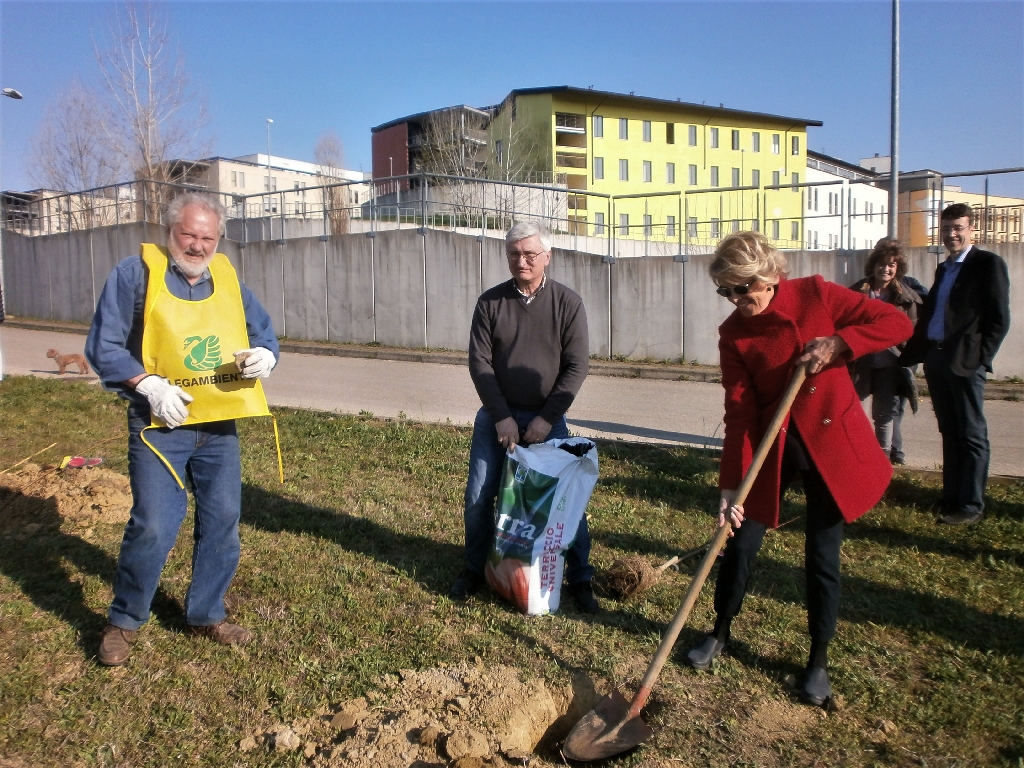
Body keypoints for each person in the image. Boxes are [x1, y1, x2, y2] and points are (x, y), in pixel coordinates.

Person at [683, 231, 912, 706]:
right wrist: (731, 487)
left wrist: (839, 342)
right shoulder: (734, 334)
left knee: (821, 554)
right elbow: (741, 413)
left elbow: (895, 323)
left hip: (831, 444)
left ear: (768, 276)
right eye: (725, 291)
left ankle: (817, 663)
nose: (735, 300)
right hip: (775, 445)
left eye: (742, 288)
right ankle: (720, 631)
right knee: (740, 541)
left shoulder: (816, 295)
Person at [85, 192, 279, 666]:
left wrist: (266, 355)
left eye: (206, 237)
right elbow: (103, 345)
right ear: (169, 231)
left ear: (219, 239)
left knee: (223, 520)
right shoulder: (135, 276)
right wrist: (147, 385)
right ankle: (125, 619)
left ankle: (206, 613)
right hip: (159, 425)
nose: (196, 246)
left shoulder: (229, 281)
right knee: (153, 524)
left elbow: (264, 334)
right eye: (188, 234)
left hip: (217, 427)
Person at [449, 221, 598, 612]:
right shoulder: (490, 303)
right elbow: (479, 363)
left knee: (564, 501)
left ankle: (581, 577)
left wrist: (547, 420)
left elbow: (577, 366)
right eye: (514, 253)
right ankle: (476, 569)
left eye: (530, 253)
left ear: (547, 256)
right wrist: (501, 417)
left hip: (548, 420)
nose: (522, 260)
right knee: (479, 497)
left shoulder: (568, 303)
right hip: (496, 419)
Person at [900, 203, 1010, 525]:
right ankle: (951, 497)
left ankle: (971, 505)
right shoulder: (943, 268)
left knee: (972, 433)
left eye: (958, 228)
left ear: (971, 229)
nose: (952, 234)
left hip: (964, 361)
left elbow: (998, 318)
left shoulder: (988, 265)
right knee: (949, 431)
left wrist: (979, 358)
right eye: (947, 228)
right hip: (937, 358)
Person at [848, 238, 926, 465]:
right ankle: (856, 456)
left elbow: (910, 332)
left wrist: (907, 361)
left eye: (892, 265)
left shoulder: (907, 296)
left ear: (897, 268)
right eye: (882, 264)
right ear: (873, 265)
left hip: (889, 366)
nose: (886, 269)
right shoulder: (857, 291)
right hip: (860, 363)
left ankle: (882, 461)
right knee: (855, 412)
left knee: (884, 415)